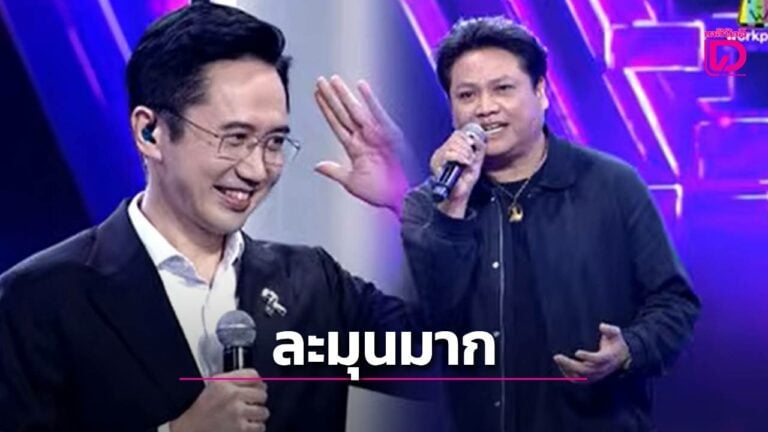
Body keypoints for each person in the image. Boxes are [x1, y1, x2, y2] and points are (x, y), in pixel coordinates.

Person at [0, 2, 416, 431]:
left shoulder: (314, 285)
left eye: (274, 143)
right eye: (234, 138)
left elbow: (454, 362)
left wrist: (412, 201)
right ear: (150, 132)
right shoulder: (38, 299)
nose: (256, 169)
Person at [393, 16, 701, 431]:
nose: (484, 108)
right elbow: (424, 329)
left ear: (541, 92)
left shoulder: (612, 185)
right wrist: (453, 208)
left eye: (503, 89)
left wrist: (630, 349)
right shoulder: (430, 204)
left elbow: (675, 304)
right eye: (467, 94)